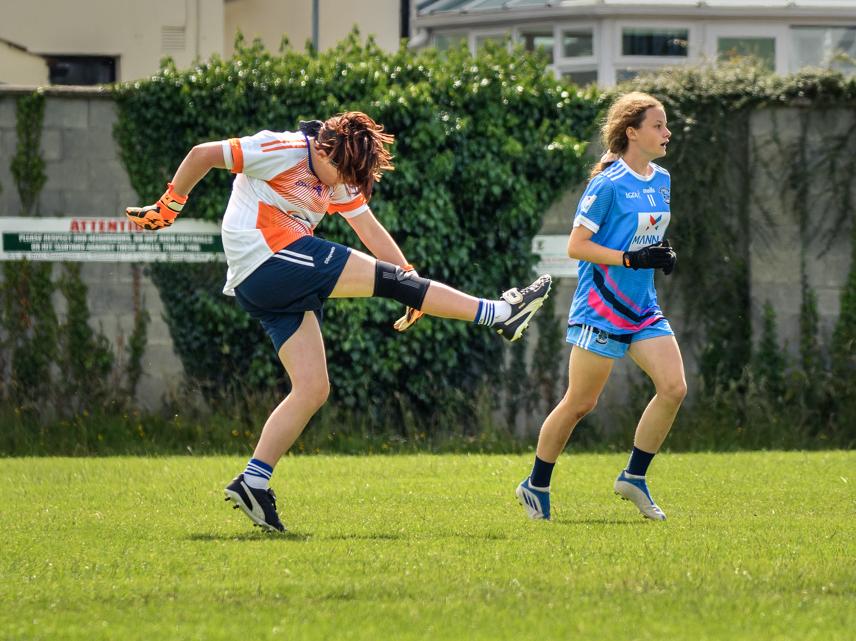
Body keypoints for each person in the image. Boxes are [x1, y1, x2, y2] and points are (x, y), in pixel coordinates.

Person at [126, 111, 552, 532]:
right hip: (268, 258)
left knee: (313, 388)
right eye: (341, 172)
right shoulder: (283, 148)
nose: (341, 184)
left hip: (266, 282)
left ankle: (253, 482)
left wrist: (410, 283)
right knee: (390, 284)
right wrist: (169, 206)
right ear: (326, 148)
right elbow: (202, 154)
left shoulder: (339, 171)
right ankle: (501, 313)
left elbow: (369, 230)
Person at [515, 92, 685, 521]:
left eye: (665, 126)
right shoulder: (607, 184)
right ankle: (535, 484)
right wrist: (631, 259)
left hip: (643, 307)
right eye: (658, 126)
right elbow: (578, 246)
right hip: (602, 308)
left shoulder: (661, 179)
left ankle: (634, 477)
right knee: (579, 404)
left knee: (674, 388)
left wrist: (660, 253)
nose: (667, 133)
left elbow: (644, 235)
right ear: (633, 132)